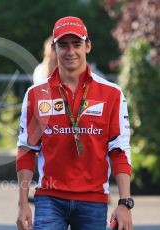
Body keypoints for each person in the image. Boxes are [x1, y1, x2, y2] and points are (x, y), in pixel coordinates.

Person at [16, 16, 133, 230]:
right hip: (49, 199)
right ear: (54, 49)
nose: (70, 52)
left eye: (76, 44)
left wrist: (125, 203)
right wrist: (23, 204)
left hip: (94, 199)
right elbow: (27, 149)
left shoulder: (112, 94)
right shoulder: (36, 94)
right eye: (63, 45)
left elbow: (119, 150)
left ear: (87, 46)